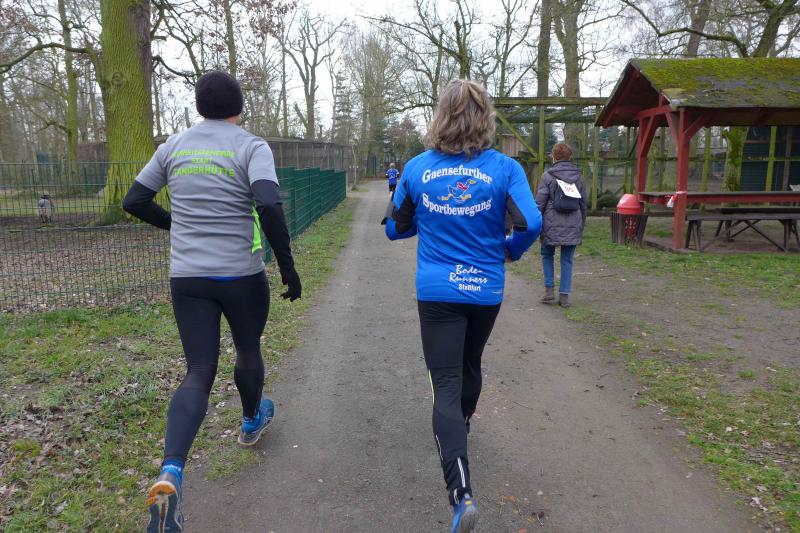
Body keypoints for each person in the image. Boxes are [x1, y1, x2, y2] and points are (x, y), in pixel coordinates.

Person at [122, 70, 302, 533]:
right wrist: (287, 266)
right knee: (248, 348)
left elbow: (135, 199)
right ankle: (250, 421)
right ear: (239, 106)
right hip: (241, 275)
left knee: (199, 370)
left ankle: (171, 473)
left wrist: (175, 224)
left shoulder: (173, 147)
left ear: (200, 106)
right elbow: (268, 204)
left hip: (188, 278)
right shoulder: (251, 147)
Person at [385, 79, 541, 533]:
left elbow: (395, 228)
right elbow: (531, 222)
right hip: (484, 289)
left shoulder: (417, 168)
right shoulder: (506, 169)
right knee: (470, 363)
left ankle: (461, 493)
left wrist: (428, 220)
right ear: (485, 118)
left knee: (445, 383)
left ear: (440, 117)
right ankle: (461, 427)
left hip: (436, 292)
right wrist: (509, 250)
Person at [535, 143, 587, 308]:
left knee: (547, 255)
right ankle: (564, 296)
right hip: (573, 222)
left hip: (550, 223)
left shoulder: (547, 176)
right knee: (567, 259)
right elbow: (583, 203)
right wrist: (581, 224)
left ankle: (549, 292)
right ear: (570, 157)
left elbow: (540, 203)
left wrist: (536, 223)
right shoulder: (579, 176)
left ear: (554, 157)